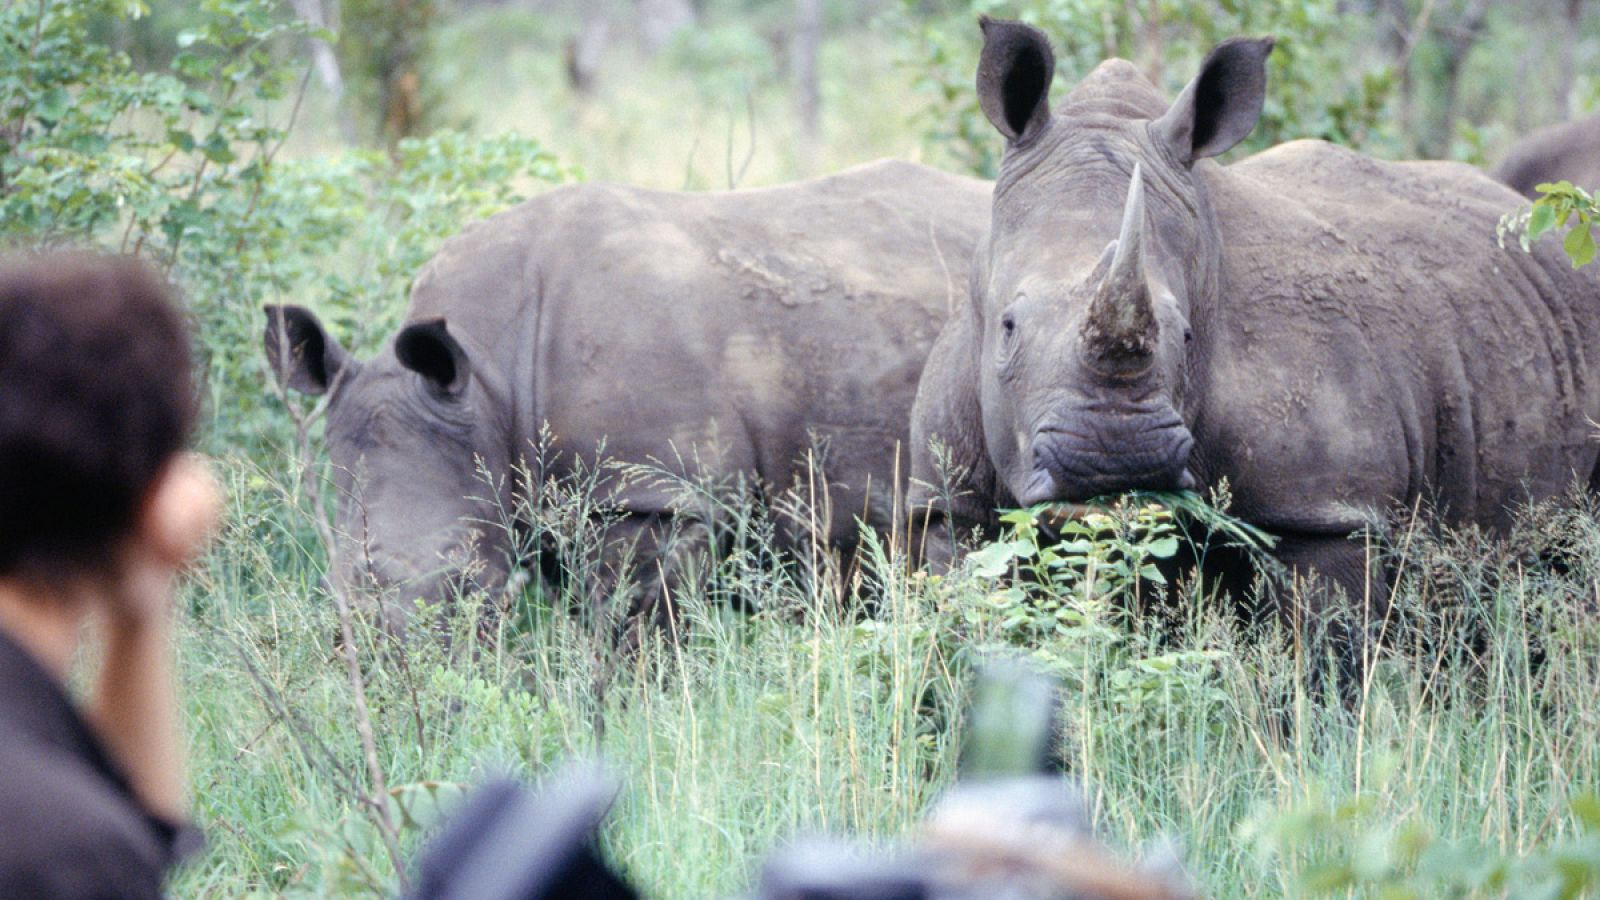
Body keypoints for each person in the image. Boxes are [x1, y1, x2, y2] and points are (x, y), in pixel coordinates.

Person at [0, 253, 218, 897]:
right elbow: (112, 858)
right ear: (153, 505)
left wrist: (139, 609)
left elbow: (131, 839)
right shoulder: (64, 853)